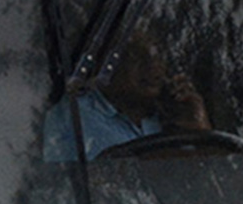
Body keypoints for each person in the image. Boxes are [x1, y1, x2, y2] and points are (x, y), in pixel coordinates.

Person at [41, 28, 211, 160]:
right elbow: (60, 183)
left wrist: (199, 130)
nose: (154, 69)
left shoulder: (170, 118)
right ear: (105, 64)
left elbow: (207, 179)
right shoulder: (72, 115)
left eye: (158, 58)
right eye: (138, 57)